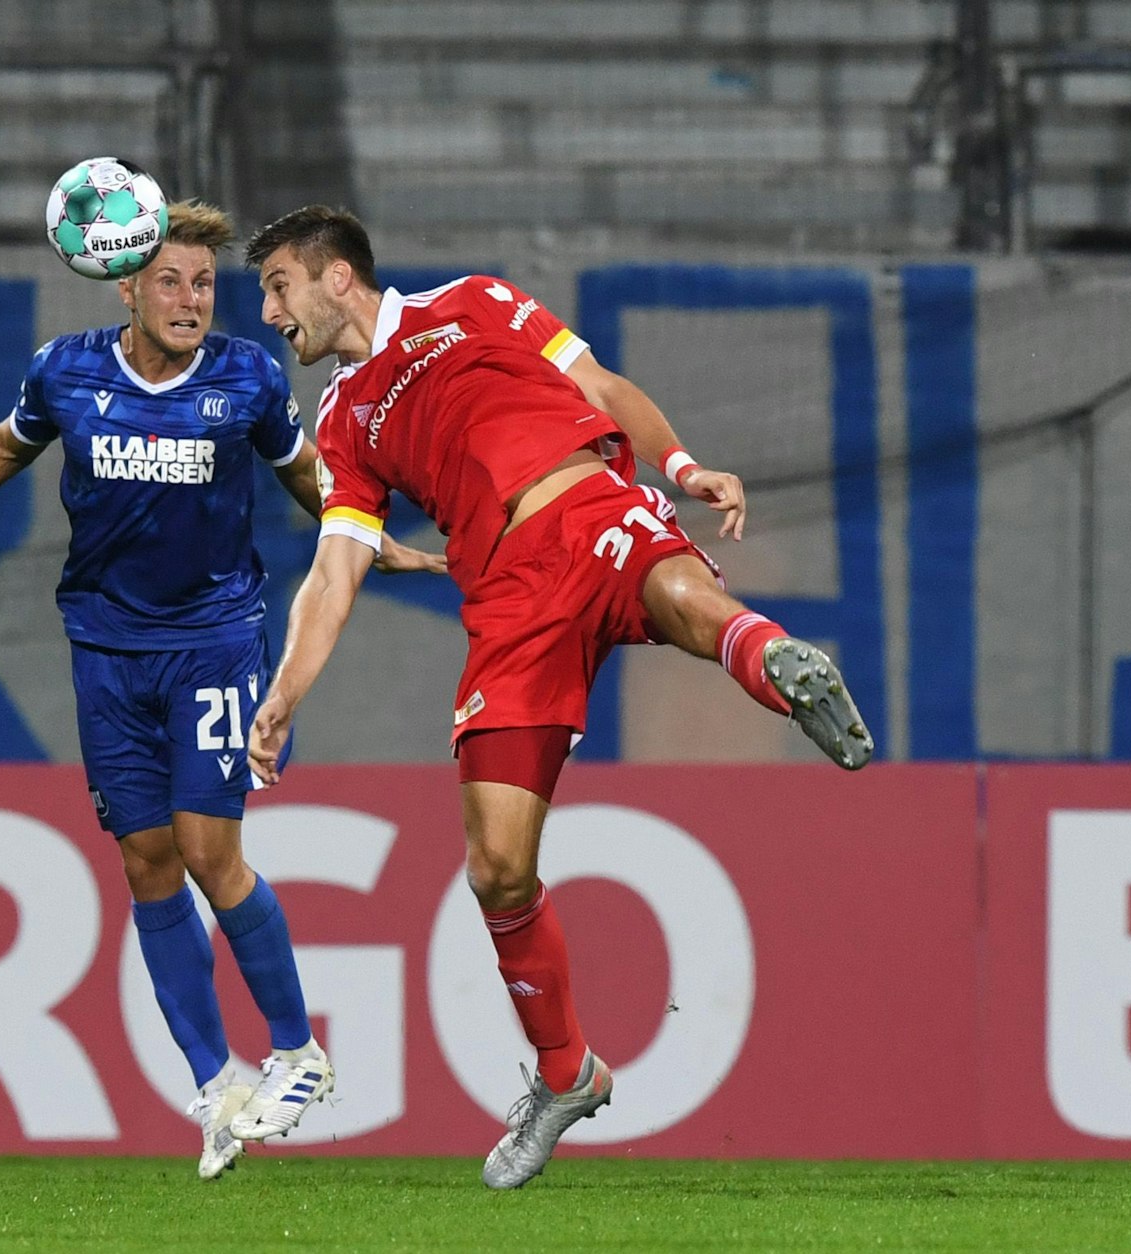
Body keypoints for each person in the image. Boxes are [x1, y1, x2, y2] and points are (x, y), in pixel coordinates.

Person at [241, 205, 873, 1189]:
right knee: (496, 869)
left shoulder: (474, 301)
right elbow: (335, 570)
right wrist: (285, 691)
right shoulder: (341, 425)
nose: (270, 314)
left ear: (334, 277)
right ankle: (566, 1071)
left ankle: (776, 658)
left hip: (584, 500)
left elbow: (597, 386)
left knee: (677, 593)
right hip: (507, 601)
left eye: (277, 286)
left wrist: (679, 464)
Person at [0, 201, 442, 1180]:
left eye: (203, 283)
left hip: (216, 643)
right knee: (146, 861)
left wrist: (361, 534)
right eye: (171, 282)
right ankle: (216, 1085)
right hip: (104, 649)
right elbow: (0, 449)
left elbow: (304, 472)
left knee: (206, 849)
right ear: (127, 288)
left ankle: (296, 1049)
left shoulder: (246, 375)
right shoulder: (64, 370)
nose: (192, 300)